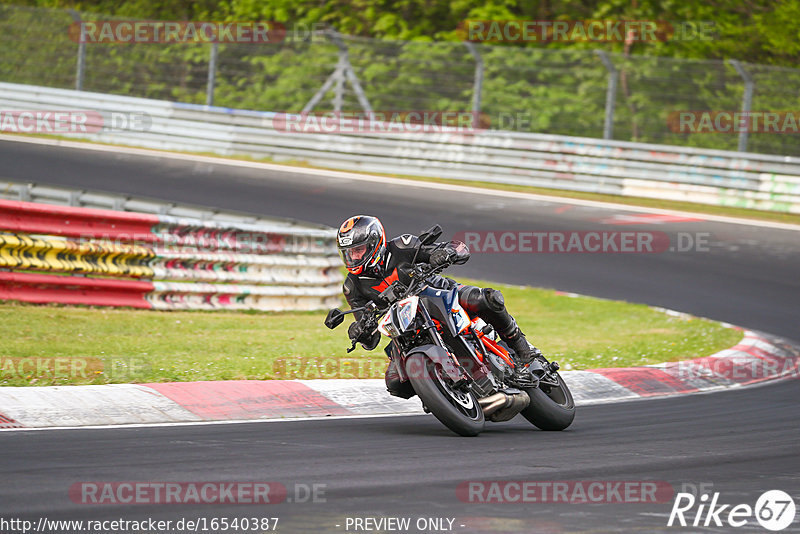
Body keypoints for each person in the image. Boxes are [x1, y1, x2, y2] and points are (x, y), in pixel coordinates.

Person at [336, 214, 540, 398]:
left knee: (486, 298)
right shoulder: (352, 286)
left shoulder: (402, 246)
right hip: (404, 325)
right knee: (396, 383)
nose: (353, 257)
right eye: (349, 253)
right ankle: (443, 391)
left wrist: (445, 253)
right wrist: (360, 331)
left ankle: (522, 349)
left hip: (441, 293)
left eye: (358, 250)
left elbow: (460, 248)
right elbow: (370, 340)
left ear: (374, 243)